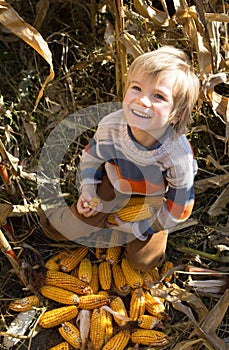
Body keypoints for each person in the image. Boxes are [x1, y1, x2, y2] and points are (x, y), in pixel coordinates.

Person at [40, 45, 200, 271]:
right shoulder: (111, 127)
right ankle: (68, 218)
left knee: (144, 262)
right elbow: (92, 158)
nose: (142, 101)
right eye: (137, 88)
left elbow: (180, 207)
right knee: (60, 228)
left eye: (158, 96)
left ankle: (138, 231)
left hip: (153, 200)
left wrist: (140, 228)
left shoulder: (177, 155)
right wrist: (88, 188)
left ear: (176, 114)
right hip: (114, 182)